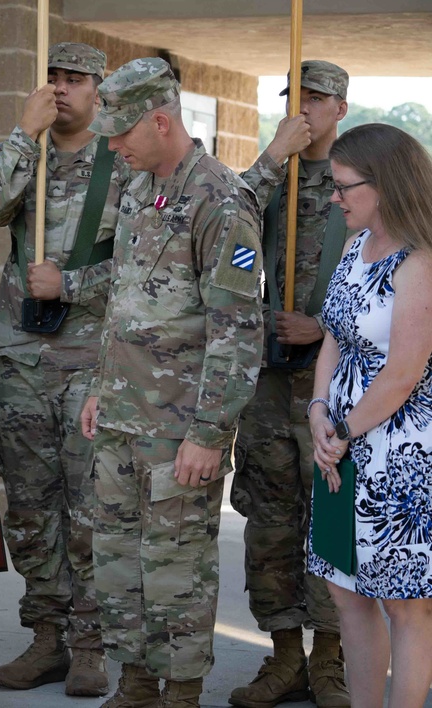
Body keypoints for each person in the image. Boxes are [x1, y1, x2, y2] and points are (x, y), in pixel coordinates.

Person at [81, 57, 264, 706]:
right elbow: (124, 301)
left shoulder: (220, 200)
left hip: (180, 432)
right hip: (122, 422)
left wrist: (211, 434)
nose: (112, 144)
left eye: (122, 132)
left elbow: (239, 332)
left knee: (176, 574)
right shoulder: (137, 190)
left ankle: (180, 694)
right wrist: (102, 384)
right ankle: (135, 686)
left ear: (161, 121)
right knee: (118, 566)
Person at [0, 42, 125, 696]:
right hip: (24, 357)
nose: (62, 89)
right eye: (53, 78)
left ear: (99, 90)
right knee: (30, 505)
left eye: (76, 80)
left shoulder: (124, 162)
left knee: (89, 503)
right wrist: (22, 132)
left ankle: (91, 642)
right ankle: (45, 637)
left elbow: (153, 265)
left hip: (92, 358)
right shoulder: (23, 152)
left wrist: (74, 284)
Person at [230, 60, 351, 708]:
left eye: (318, 97)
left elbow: (402, 291)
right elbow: (225, 223)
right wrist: (276, 156)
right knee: (270, 524)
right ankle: (282, 658)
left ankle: (331, 661)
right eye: (295, 97)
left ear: (342, 108)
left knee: (332, 521)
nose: (304, 107)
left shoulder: (366, 181)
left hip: (338, 386)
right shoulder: (273, 173)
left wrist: (324, 327)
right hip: (271, 386)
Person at [307, 123, 432, 708]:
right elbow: (334, 337)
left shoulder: (422, 261)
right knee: (345, 591)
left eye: (342, 186)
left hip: (400, 453)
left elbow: (404, 370)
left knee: (405, 603)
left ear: (382, 185)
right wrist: (317, 411)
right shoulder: (356, 247)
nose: (334, 197)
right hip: (339, 443)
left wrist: (342, 432)